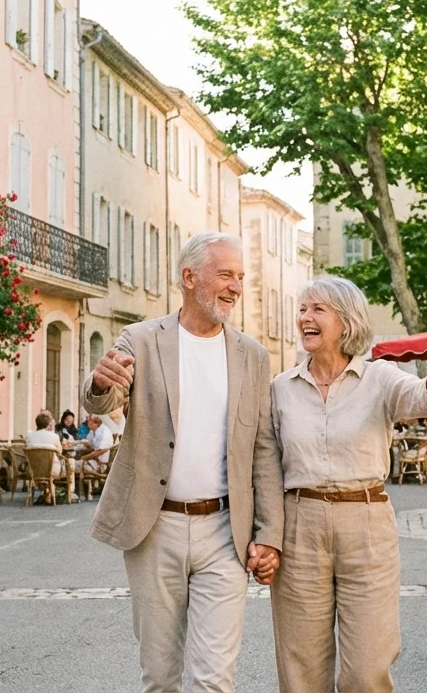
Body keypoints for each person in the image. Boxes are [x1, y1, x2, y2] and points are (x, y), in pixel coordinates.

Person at [82, 231, 282, 693]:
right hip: (156, 527)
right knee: (161, 677)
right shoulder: (141, 339)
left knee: (214, 678)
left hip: (225, 531)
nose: (235, 286)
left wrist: (269, 535)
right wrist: (99, 383)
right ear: (189, 277)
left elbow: (264, 450)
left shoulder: (252, 356)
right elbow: (105, 394)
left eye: (240, 276)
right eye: (225, 274)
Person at [269, 277, 427, 692]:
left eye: (318, 309)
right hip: (299, 522)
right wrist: (265, 536)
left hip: (367, 521)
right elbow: (265, 466)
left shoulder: (380, 378)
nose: (305, 317)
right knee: (300, 665)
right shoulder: (280, 389)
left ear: (346, 320)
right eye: (303, 309)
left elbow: (426, 400)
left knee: (367, 665)